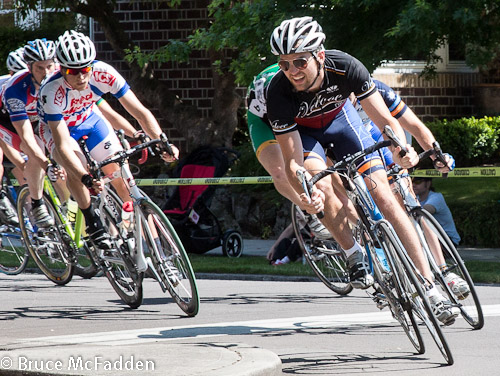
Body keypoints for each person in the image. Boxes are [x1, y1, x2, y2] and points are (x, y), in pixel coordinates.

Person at [267, 16, 458, 324]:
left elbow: (385, 120)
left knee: (384, 195)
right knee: (323, 186)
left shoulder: (345, 66)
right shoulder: (277, 93)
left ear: (319, 55)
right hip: (308, 138)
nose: (292, 72)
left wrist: (401, 149)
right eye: (284, 64)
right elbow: (292, 161)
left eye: (299, 62)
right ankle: (353, 251)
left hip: (342, 125)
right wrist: (305, 192)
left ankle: (429, 287)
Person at [38, 30, 179, 249]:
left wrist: (162, 142)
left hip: (90, 119)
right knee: (77, 165)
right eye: (72, 71)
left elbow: (140, 112)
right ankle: (91, 220)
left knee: (122, 178)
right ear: (61, 69)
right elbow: (63, 144)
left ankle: (154, 248)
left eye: (85, 69)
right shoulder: (51, 91)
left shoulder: (104, 72)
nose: (81, 77)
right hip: (58, 129)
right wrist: (85, 177)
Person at [247, 64, 331, 240]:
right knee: (279, 171)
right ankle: (309, 213)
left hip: (294, 115)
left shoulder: (308, 84)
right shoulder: (275, 92)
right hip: (263, 120)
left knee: (326, 161)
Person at [1, 39, 57, 228]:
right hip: (6, 121)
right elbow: (25, 137)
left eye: (49, 66)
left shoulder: (60, 80)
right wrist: (36, 164)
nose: (46, 73)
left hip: (34, 119)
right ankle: (32, 203)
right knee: (34, 152)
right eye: (40, 68)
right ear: (29, 68)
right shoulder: (15, 88)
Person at [0, 47, 29, 225]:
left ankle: (35, 220)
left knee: (26, 170)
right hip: (3, 129)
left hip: (17, 129)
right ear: (11, 73)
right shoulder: (3, 87)